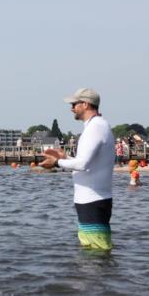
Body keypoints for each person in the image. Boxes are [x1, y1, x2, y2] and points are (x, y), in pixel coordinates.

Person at [40, 88, 115, 252]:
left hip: (93, 200)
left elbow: (83, 165)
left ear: (85, 104)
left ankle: (99, 277)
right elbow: (86, 163)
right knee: (91, 251)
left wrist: (57, 162)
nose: (71, 108)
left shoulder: (96, 127)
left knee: (97, 252)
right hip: (90, 199)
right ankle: (102, 277)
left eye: (74, 104)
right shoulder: (96, 126)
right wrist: (65, 158)